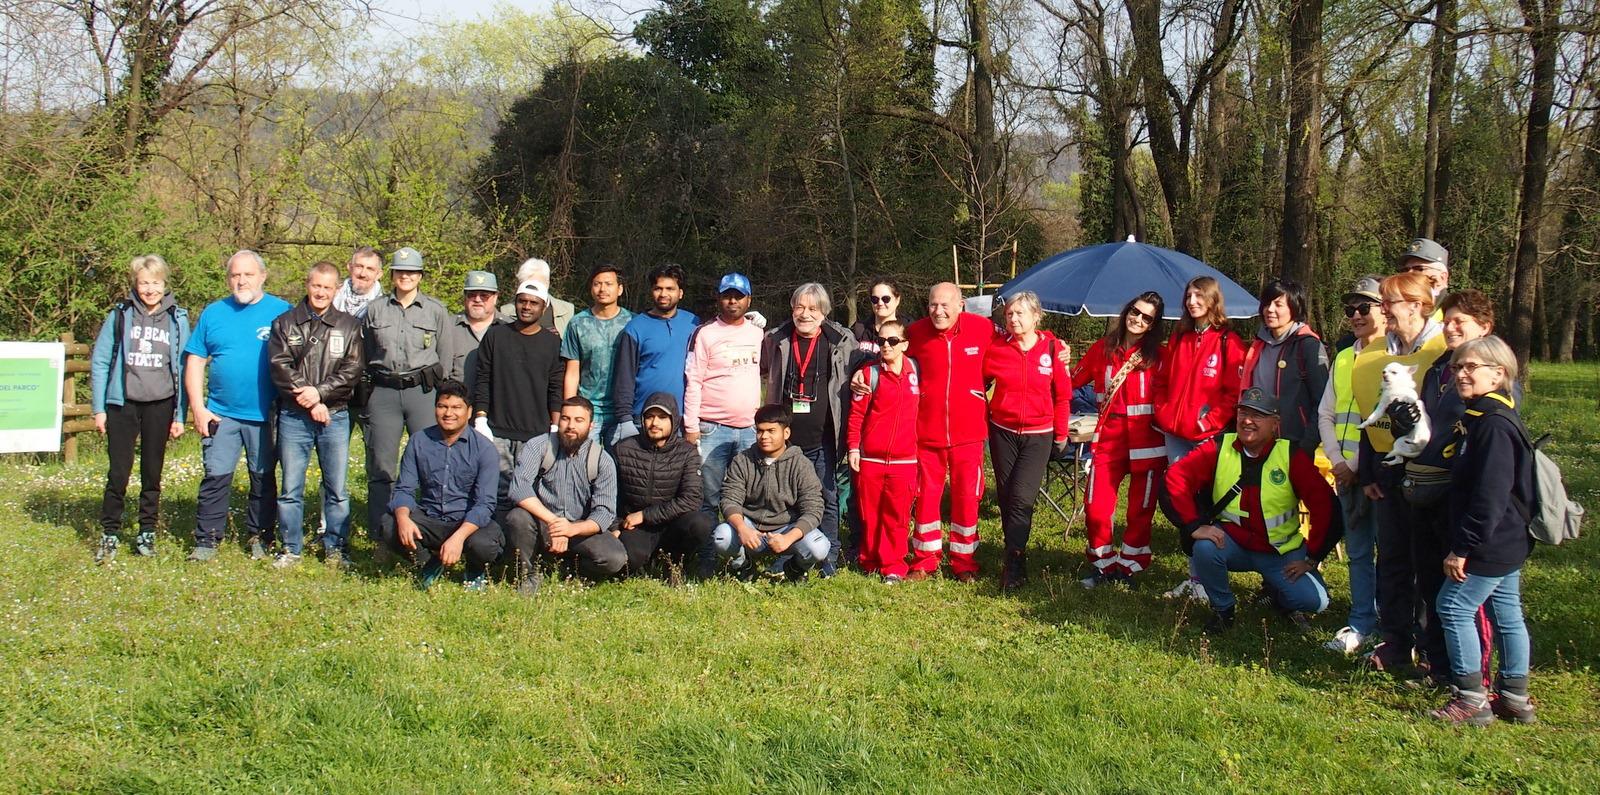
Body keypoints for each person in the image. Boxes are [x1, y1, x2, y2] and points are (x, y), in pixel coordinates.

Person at [1383, 289, 1507, 680]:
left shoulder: (1493, 378)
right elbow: (1427, 427)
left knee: (1466, 594)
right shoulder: (1439, 367)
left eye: (1461, 322)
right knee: (1431, 583)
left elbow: (1486, 444)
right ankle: (1439, 666)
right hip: (1425, 489)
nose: (1451, 327)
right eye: (1448, 319)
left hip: (1460, 494)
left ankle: (1476, 677)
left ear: (1484, 328)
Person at [1164, 387, 1341, 634]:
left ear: (1275, 423)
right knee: (1204, 548)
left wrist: (1312, 557)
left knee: (1317, 601)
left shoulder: (1291, 456)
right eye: (1243, 413)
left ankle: (1280, 600)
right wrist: (1194, 525)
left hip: (1280, 553)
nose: (1247, 420)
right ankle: (1223, 610)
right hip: (1233, 544)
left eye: (1257, 415)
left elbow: (1326, 506)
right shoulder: (1220, 447)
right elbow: (1175, 477)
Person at [1427, 336, 1536, 726]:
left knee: (1453, 608)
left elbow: (1490, 496)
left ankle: (1471, 699)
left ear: (1499, 373)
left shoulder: (1492, 426)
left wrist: (1462, 547)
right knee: (1506, 612)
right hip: (1507, 539)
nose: (1461, 374)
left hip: (1490, 541)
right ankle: (1514, 697)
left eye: (1471, 367)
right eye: (1458, 367)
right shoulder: (1484, 418)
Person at [1356, 271, 1448, 675]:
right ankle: (1395, 643)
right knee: (1391, 559)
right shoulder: (1375, 353)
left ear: (1415, 304)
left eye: (1388, 302)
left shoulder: (1445, 350)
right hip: (1388, 472)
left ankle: (1433, 651)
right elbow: (1368, 413)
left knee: (1428, 564)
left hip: (1433, 473)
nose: (1383, 310)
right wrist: (1369, 471)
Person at [183, 250, 292, 561]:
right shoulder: (213, 313)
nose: (241, 280)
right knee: (215, 477)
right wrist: (198, 408)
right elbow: (195, 361)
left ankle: (261, 538)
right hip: (221, 413)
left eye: (248, 274)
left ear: (262, 277)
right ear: (229, 278)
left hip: (266, 415)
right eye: (235, 275)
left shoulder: (282, 311)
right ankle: (207, 541)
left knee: (263, 478)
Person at [89, 255, 190, 561]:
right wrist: (99, 408)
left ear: (164, 284)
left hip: (160, 405)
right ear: (135, 283)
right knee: (118, 473)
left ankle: (146, 531)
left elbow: (186, 369)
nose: (149, 289)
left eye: (155, 283)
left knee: (152, 473)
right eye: (144, 282)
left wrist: (179, 415)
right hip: (123, 404)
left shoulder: (178, 318)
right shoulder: (120, 314)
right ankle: (110, 533)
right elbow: (101, 361)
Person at [760, 282, 865, 577]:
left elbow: (860, 368)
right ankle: (785, 554)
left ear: (825, 312)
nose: (805, 314)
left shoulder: (841, 340)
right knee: (784, 498)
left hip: (823, 437)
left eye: (813, 308)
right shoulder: (776, 338)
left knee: (827, 496)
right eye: (799, 307)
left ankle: (829, 555)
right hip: (785, 438)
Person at [1155, 276, 1246, 602]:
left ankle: (1211, 579)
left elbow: (1232, 393)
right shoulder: (1179, 339)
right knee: (1184, 504)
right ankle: (1195, 579)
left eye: (1198, 296)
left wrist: (1208, 420)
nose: (1192, 301)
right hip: (1175, 435)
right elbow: (1161, 381)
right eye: (1189, 296)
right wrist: (1164, 413)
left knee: (1208, 506)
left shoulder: (1228, 342)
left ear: (1212, 300)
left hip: (1208, 437)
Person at [267, 261, 364, 568]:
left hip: (334, 415)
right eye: (316, 285)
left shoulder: (349, 326)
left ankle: (336, 548)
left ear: (337, 289)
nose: (321, 292)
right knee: (290, 488)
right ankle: (291, 549)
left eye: (327, 287)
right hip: (295, 416)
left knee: (337, 488)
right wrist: (311, 401)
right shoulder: (284, 323)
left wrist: (320, 393)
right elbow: (279, 366)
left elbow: (352, 370)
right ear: (307, 285)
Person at [899, 283, 994, 581]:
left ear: (961, 304)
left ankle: (963, 560)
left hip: (969, 432)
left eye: (945, 305)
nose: (938, 311)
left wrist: (1053, 346)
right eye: (932, 305)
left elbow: (1017, 343)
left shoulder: (983, 329)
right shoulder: (915, 333)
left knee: (967, 496)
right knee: (926, 495)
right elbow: (893, 359)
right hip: (927, 431)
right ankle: (925, 558)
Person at [1072, 291, 1167, 587]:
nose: (1138, 319)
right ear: (1127, 312)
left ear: (1153, 324)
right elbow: (1070, 382)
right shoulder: (1103, 349)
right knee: (1096, 506)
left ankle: (1130, 568)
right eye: (1135, 312)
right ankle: (1102, 564)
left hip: (1148, 441)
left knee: (1140, 511)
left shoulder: (1161, 356)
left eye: (1146, 317)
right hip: (1110, 439)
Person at [1315, 277, 1389, 654]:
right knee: (1358, 551)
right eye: (1350, 310)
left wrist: (1358, 464)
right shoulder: (1344, 356)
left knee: (1391, 554)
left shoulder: (1393, 354)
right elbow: (1326, 412)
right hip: (1345, 472)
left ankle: (1392, 626)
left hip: (1380, 472)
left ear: (1385, 310)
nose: (1356, 316)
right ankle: (1361, 621)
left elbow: (1384, 418)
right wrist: (1338, 461)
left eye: (1365, 308)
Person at [362, 247, 457, 538]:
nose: (406, 276)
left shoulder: (436, 310)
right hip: (384, 392)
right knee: (381, 465)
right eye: (400, 271)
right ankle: (382, 533)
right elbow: (366, 353)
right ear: (391, 275)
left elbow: (446, 357)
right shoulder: (376, 309)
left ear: (420, 276)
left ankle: (432, 529)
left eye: (412, 272)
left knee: (431, 461)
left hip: (422, 392)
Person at [380, 379, 505, 591]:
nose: (449, 413)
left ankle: (474, 569)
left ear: (469, 411)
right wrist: (403, 519)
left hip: (466, 523)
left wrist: (458, 538)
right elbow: (405, 489)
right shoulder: (419, 441)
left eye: (456, 407)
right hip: (430, 518)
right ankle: (430, 562)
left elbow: (485, 504)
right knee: (389, 524)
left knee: (486, 544)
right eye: (442, 406)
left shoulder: (484, 449)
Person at [984, 291, 1071, 590]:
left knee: (1022, 498)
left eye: (1020, 313)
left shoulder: (1052, 347)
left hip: (1038, 434)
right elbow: (977, 381)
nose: (1014, 319)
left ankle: (1015, 561)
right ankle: (1014, 554)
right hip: (1002, 431)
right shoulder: (996, 348)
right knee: (1007, 497)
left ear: (1036, 317)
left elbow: (1063, 395)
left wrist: (1061, 434)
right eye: (1009, 314)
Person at [502, 397, 621, 595]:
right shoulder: (538, 446)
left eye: (578, 420)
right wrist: (556, 523)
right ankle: (529, 574)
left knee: (615, 557)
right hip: (542, 523)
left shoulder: (602, 460)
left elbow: (604, 513)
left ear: (591, 425)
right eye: (565, 419)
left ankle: (571, 569)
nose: (570, 425)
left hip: (579, 528)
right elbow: (519, 488)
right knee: (517, 517)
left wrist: (572, 529)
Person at [471, 280, 565, 510]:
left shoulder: (553, 343)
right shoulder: (495, 337)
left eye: (534, 303)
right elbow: (482, 379)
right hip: (497, 431)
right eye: (522, 301)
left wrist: (555, 427)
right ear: (515, 304)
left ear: (543, 308)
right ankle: (494, 542)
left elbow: (556, 388)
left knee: (528, 495)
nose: (527, 307)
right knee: (496, 493)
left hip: (535, 434)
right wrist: (480, 418)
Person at [709, 404, 830, 580]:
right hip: (751, 529)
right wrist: (742, 528)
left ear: (786, 433)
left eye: (771, 431)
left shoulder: (801, 464)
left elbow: (814, 509)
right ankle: (743, 566)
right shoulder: (743, 460)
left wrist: (788, 538)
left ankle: (795, 568)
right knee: (722, 536)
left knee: (819, 547)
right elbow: (729, 499)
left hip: (787, 529)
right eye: (760, 431)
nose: (764, 436)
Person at [684, 272, 763, 517]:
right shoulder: (705, 333)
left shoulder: (758, 333)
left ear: (748, 300)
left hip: (749, 429)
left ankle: (741, 553)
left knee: (749, 495)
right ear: (718, 299)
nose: (733, 302)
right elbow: (693, 380)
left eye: (738, 296)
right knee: (708, 497)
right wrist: (690, 426)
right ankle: (707, 554)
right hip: (712, 428)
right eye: (727, 296)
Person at [846, 319, 920, 582]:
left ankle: (893, 566)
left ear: (905, 344)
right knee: (870, 514)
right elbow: (856, 416)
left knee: (897, 517)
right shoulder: (869, 375)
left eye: (892, 341)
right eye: (881, 341)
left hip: (905, 460)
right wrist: (853, 448)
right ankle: (870, 560)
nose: (886, 346)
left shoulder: (916, 372)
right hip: (871, 459)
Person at [613, 392, 714, 576]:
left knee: (701, 524)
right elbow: (611, 494)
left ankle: (674, 562)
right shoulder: (623, 448)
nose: (655, 423)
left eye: (662, 417)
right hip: (635, 526)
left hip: (671, 524)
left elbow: (692, 499)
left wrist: (645, 515)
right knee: (627, 563)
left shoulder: (687, 452)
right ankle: (647, 562)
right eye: (650, 417)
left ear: (673, 420)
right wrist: (615, 526)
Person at [612, 264, 697, 443]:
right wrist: (625, 419)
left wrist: (749, 320)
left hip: (682, 420)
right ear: (651, 291)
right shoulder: (635, 328)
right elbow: (624, 377)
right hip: (643, 419)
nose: (663, 294)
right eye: (658, 288)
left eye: (670, 289)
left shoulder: (693, 323)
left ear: (680, 293)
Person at [1241, 280, 1328, 453]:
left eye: (1278, 304)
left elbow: (1322, 401)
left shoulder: (1308, 345)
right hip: (1256, 441)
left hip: (1294, 443)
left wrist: (1306, 446)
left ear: (1294, 308)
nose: (1270, 309)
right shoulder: (1259, 344)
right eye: (1266, 303)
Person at [560, 264, 633, 444]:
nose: (602, 289)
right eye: (597, 284)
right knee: (582, 465)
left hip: (622, 413)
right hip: (587, 411)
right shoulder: (577, 324)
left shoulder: (633, 323)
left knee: (620, 468)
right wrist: (571, 411)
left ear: (620, 289)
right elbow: (572, 371)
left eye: (608, 284)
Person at [444, 270, 506, 386]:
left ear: (495, 297)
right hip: (459, 401)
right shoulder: (447, 326)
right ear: (465, 297)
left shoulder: (510, 328)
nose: (477, 300)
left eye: (484, 295)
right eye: (472, 294)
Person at [500, 257, 576, 335]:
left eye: (536, 285)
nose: (531, 290)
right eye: (527, 285)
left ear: (547, 283)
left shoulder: (566, 310)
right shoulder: (506, 311)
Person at [850, 278, 908, 356]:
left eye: (886, 299)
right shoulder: (858, 330)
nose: (880, 303)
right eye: (875, 299)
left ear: (897, 300)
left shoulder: (909, 331)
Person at [333, 246, 385, 319]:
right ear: (350, 268)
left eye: (370, 269)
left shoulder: (385, 308)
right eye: (359, 266)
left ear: (379, 275)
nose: (363, 274)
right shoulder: (330, 297)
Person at [1397, 237, 1450, 310]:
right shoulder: (1398, 308)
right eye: (1405, 270)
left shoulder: (1454, 309)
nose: (1409, 273)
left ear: (1443, 277)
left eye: (1419, 269)